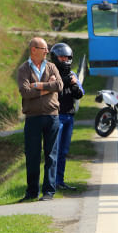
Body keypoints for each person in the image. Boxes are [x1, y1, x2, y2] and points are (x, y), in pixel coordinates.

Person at [17, 37, 63, 202]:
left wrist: (38, 85)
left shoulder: (51, 66)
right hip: (33, 118)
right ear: (33, 50)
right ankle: (32, 192)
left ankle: (48, 192)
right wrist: (47, 87)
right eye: (44, 48)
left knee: (51, 155)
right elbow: (25, 92)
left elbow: (59, 85)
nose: (47, 51)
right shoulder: (23, 69)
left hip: (52, 116)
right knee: (32, 156)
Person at [50, 43, 84, 191]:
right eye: (61, 57)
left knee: (63, 151)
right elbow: (49, 89)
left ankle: (60, 181)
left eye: (67, 57)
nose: (64, 60)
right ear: (55, 58)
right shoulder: (50, 74)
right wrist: (63, 82)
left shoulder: (73, 75)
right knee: (54, 151)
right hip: (56, 116)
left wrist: (75, 85)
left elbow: (80, 93)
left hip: (69, 117)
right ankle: (51, 182)